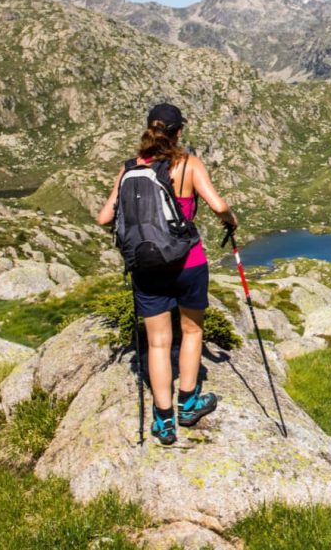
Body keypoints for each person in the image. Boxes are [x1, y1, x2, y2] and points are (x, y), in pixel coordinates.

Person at [96, 103, 239, 445]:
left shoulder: (130, 169)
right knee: (191, 333)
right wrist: (230, 223)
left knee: (158, 343)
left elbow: (104, 218)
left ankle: (164, 421)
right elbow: (218, 205)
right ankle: (188, 404)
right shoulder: (188, 164)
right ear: (178, 132)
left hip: (147, 267)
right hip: (188, 264)